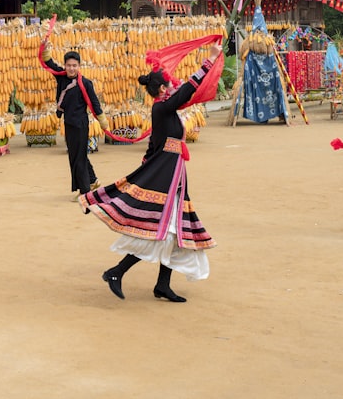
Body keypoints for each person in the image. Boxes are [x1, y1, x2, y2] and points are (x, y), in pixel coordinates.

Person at [81, 42, 224, 303]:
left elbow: (154, 144)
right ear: (162, 89)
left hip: (172, 175)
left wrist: (148, 167)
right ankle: (116, 272)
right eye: (170, 84)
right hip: (167, 177)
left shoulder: (165, 110)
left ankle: (161, 285)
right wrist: (209, 61)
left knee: (174, 231)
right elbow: (187, 91)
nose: (174, 86)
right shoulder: (163, 107)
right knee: (162, 231)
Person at [39, 37, 105, 199]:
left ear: (79, 66)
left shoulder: (85, 83)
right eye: (69, 65)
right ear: (65, 65)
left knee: (78, 157)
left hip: (80, 125)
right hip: (69, 123)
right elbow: (49, 64)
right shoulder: (61, 77)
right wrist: (45, 48)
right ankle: (92, 180)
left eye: (74, 65)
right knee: (77, 155)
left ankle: (85, 192)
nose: (71, 68)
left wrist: (103, 120)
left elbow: (94, 103)